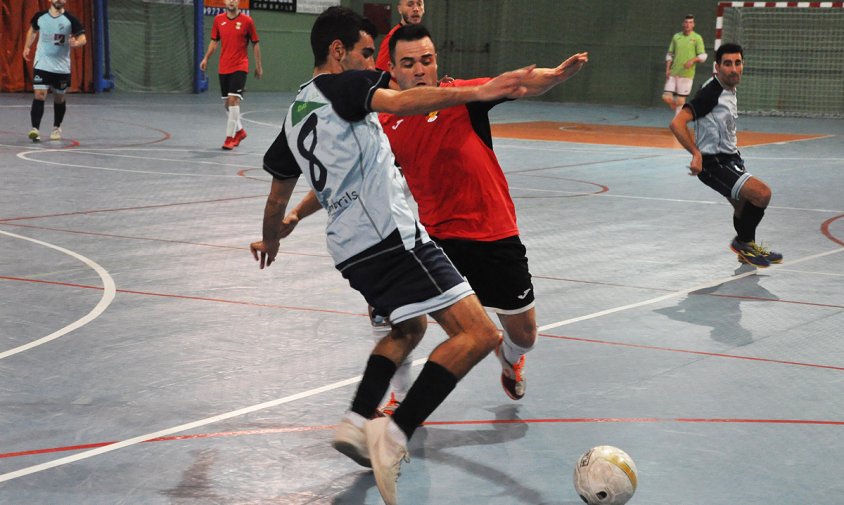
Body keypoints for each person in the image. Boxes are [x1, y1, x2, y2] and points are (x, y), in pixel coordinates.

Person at [249, 7, 534, 504]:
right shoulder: (345, 86)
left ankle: (358, 419)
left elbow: (276, 197)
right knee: (480, 333)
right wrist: (477, 90)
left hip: (350, 249)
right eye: (364, 53)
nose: (370, 63)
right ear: (337, 52)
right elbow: (402, 104)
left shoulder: (296, 113)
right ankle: (395, 433)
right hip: (392, 236)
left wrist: (276, 235)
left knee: (409, 328)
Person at [379, 24, 587, 403]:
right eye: (408, 63)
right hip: (437, 240)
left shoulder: (462, 95)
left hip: (494, 233)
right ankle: (398, 400)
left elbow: (516, 83)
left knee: (524, 335)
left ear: (436, 61)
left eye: (426, 60)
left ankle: (510, 361)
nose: (419, 69)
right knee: (408, 322)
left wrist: (553, 77)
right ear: (393, 71)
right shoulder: (387, 122)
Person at [670, 43, 782, 268]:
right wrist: (695, 153)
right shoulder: (712, 92)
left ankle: (746, 249)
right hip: (715, 163)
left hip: (730, 158)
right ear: (717, 67)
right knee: (762, 194)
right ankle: (743, 244)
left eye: (737, 63)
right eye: (727, 64)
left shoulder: (729, 89)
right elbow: (677, 122)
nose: (733, 69)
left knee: (743, 207)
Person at [200, 0, 262, 150]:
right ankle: (240, 131)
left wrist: (258, 66)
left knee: (233, 100)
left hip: (240, 66)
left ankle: (229, 138)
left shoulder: (247, 21)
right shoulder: (218, 20)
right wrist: (206, 58)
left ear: (239, 2)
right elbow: (214, 42)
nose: (232, 1)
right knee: (228, 104)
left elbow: (255, 43)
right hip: (224, 67)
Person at [22, 0, 87, 142]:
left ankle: (56, 127)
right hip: (42, 64)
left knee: (59, 98)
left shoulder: (71, 20)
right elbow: (33, 30)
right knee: (39, 94)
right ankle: (35, 129)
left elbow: (83, 38)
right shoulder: (40, 16)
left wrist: (77, 42)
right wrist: (27, 46)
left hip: (61, 68)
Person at [662, 14, 706, 116]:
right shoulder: (676, 37)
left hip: (687, 74)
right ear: (683, 24)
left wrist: (692, 60)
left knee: (680, 101)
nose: (688, 24)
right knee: (666, 97)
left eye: (690, 23)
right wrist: (668, 69)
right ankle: (679, 112)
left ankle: (677, 124)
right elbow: (670, 54)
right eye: (686, 22)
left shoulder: (697, 38)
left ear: (693, 25)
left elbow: (703, 56)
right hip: (673, 72)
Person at [375, 0, 425, 72]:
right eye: (410, 5)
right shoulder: (393, 37)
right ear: (400, 9)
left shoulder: (422, 37)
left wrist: (437, 83)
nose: (416, 9)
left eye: (419, 4)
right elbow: (380, 74)